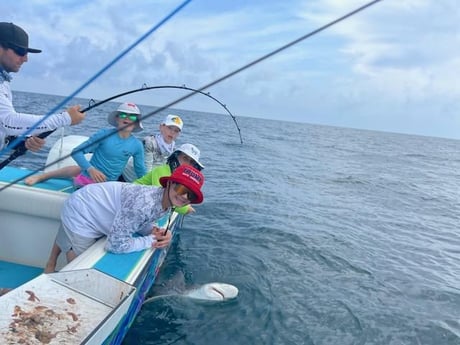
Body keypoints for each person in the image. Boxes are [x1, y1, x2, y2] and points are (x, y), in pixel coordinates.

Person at [44, 165, 204, 273]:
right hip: (82, 212)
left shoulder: (164, 200)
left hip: (95, 206)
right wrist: (151, 241)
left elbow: (143, 220)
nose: (183, 196)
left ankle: (50, 265)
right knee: (79, 267)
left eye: (190, 195)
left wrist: (152, 230)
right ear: (169, 184)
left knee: (68, 237)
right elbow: (115, 245)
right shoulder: (144, 203)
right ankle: (55, 273)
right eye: (181, 188)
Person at [0, 22, 85, 153]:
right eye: (21, 51)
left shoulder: (3, 82)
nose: (25, 59)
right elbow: (8, 122)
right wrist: (65, 118)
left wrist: (19, 141)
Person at [25, 102, 146, 188]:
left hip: (108, 185)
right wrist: (91, 170)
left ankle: (73, 177)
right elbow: (77, 151)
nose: (128, 118)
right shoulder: (104, 134)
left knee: (77, 170)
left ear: (136, 123)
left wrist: (151, 187)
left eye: (133, 117)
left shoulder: (137, 145)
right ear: (117, 119)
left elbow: (140, 170)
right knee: (80, 171)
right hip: (87, 181)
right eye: (124, 115)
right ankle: (42, 177)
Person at [135, 143, 204, 215]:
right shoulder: (162, 170)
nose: (188, 164)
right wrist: (186, 209)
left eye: (192, 162)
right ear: (176, 156)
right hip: (136, 199)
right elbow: (163, 197)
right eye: (185, 158)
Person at [121, 114, 183, 182]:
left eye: (176, 131)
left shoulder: (174, 150)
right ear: (161, 127)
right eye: (170, 128)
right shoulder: (149, 142)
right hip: (128, 176)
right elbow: (146, 172)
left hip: (147, 179)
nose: (172, 132)